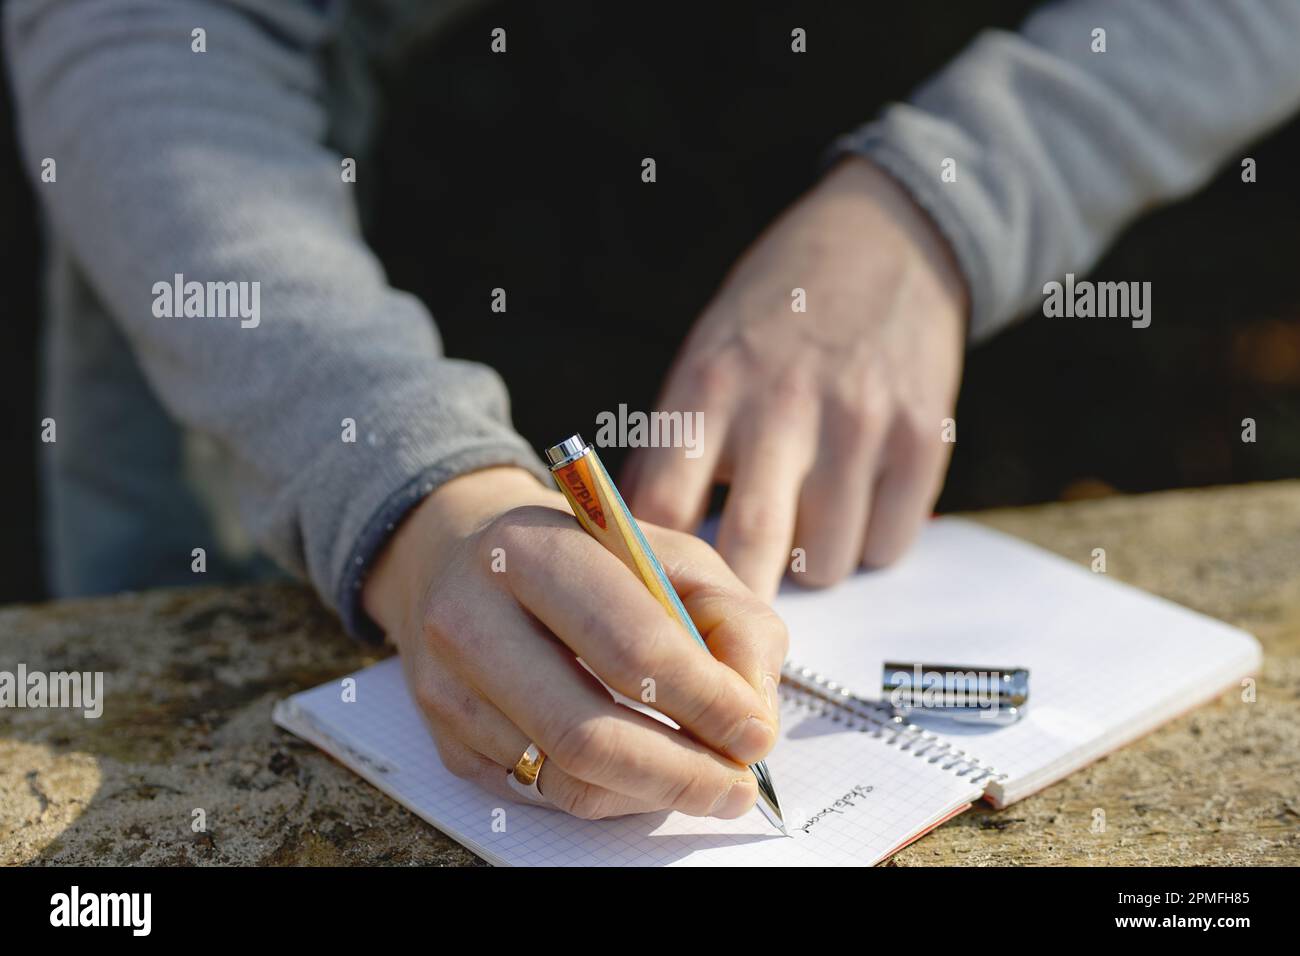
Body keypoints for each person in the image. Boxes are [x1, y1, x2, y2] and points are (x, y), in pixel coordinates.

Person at [6, 0, 1300, 821]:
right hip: (316, 401)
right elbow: (145, 31)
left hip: (1038, 390)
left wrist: (942, 207)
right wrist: (410, 488)